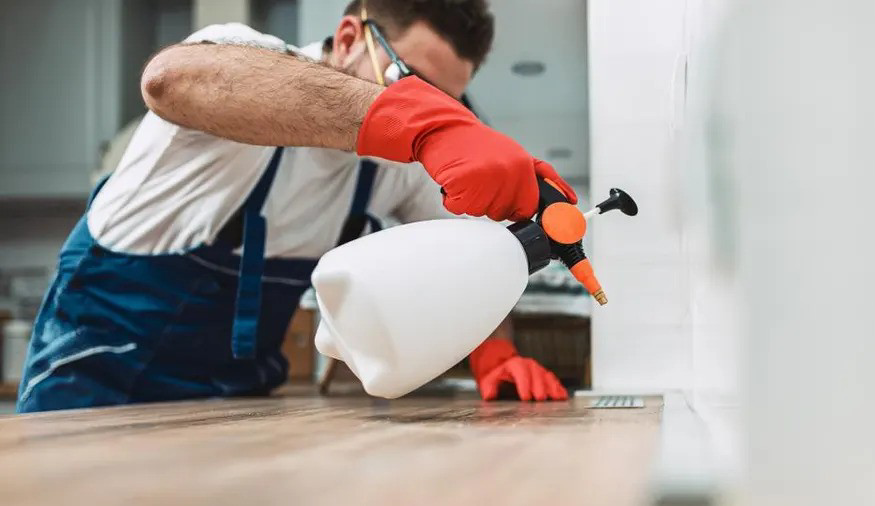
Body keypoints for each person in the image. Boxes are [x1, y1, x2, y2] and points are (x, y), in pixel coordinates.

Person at [16, 0, 573, 413]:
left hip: (234, 406)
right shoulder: (246, 61)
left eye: (448, 102)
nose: (427, 109)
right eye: (413, 83)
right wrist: (418, 124)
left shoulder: (392, 172)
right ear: (350, 36)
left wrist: (493, 355)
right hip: (90, 394)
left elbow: (468, 251)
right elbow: (170, 81)